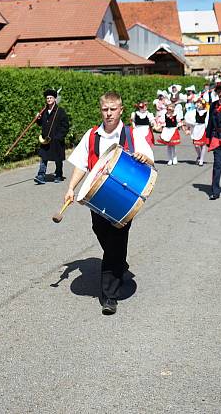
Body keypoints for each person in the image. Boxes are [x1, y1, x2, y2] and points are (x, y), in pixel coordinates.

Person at [63, 91, 154, 315]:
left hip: (124, 200)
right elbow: (81, 164)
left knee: (115, 242)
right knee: (101, 232)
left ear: (121, 110)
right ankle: (119, 264)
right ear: (100, 110)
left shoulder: (132, 135)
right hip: (97, 198)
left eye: (113, 109)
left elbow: (150, 161)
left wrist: (145, 159)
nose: (109, 113)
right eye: (105, 109)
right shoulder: (92, 135)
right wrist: (71, 188)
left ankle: (109, 296)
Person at [34, 89, 69, 184]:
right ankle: (41, 175)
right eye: (47, 98)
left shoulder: (60, 111)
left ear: (54, 99)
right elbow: (41, 124)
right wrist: (38, 119)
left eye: (50, 98)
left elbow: (65, 126)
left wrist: (59, 137)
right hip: (46, 140)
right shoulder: (44, 111)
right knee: (43, 157)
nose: (48, 99)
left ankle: (58, 175)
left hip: (56, 140)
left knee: (58, 159)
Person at [154, 95, 185, 165]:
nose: (169, 111)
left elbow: (179, 122)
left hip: (173, 130)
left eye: (170, 110)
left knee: (173, 146)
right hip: (167, 130)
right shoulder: (164, 115)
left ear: (173, 110)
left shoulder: (176, 115)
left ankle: (174, 158)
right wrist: (158, 126)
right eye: (168, 109)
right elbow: (161, 122)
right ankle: (169, 159)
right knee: (168, 146)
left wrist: (184, 128)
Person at [185, 99, 209, 166]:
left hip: (203, 128)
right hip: (196, 129)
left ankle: (201, 159)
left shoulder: (207, 112)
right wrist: (191, 125)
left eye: (200, 103)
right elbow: (189, 119)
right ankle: (199, 155)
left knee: (203, 145)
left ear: (203, 105)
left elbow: (208, 121)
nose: (198, 104)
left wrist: (208, 129)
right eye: (198, 103)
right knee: (196, 145)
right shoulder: (194, 112)